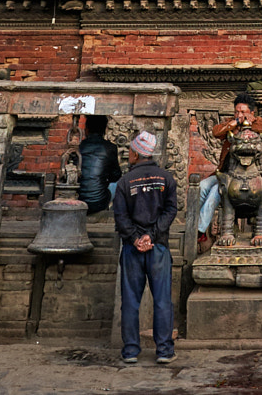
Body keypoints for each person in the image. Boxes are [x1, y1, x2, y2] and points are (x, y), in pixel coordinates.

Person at [111, 129, 178, 366]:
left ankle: (130, 350)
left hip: (132, 249)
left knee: (130, 300)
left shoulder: (124, 182)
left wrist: (136, 238)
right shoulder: (166, 178)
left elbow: (120, 216)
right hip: (158, 248)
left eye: (130, 150)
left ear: (137, 153)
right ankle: (164, 351)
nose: (128, 154)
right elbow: (171, 210)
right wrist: (152, 235)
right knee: (162, 300)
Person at [75, 119, 116, 215]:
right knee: (118, 183)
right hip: (100, 202)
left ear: (86, 130)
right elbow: (116, 175)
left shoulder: (79, 147)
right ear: (105, 130)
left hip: (79, 199)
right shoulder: (110, 147)